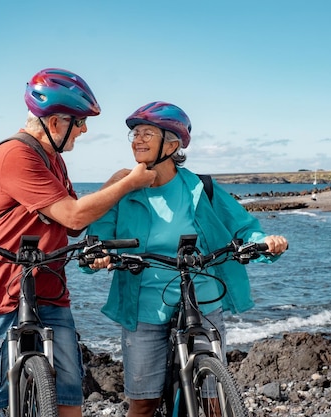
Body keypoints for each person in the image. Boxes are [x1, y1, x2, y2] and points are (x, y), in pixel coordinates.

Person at [0, 68, 157, 417]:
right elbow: (75, 216)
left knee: (68, 398)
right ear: (55, 120)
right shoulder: (16, 155)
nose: (84, 129)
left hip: (50, 290)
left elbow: (74, 223)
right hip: (2, 295)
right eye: (78, 121)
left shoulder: (54, 159)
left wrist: (113, 181)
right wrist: (127, 185)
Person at [84, 101, 288, 417]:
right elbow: (98, 237)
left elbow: (243, 226)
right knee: (144, 403)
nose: (137, 139)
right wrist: (99, 256)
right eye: (135, 133)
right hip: (145, 306)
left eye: (146, 133)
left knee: (214, 399)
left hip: (203, 301)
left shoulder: (200, 188)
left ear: (173, 143)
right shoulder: (124, 191)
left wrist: (265, 243)